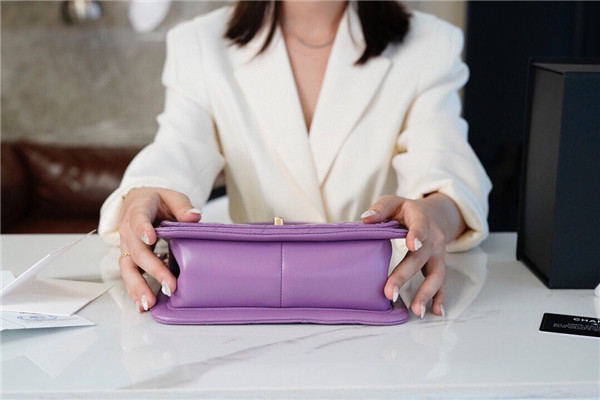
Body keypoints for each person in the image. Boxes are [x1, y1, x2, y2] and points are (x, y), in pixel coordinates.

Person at [99, 1, 492, 318]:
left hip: (372, 310)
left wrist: (434, 216)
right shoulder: (198, 44)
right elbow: (177, 150)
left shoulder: (431, 45)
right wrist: (142, 199)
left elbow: (443, 165)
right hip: (245, 310)